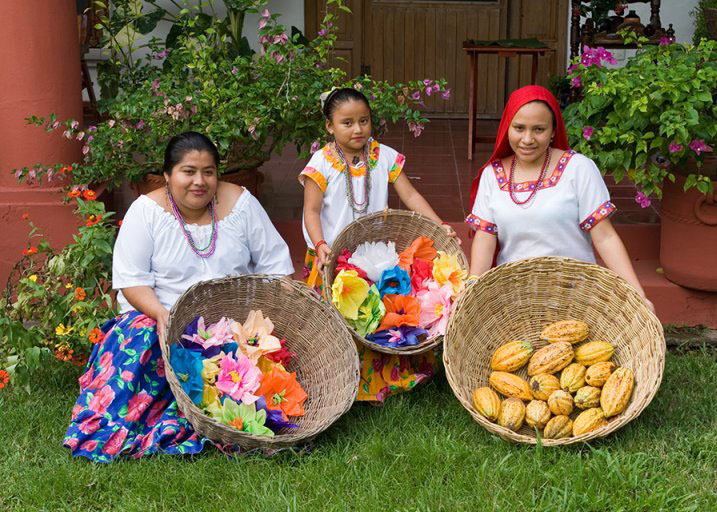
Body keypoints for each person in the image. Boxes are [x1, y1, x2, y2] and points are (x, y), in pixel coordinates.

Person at [64, 131, 294, 462]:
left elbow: (275, 266)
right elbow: (132, 281)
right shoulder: (146, 212)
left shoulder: (241, 204)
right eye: (188, 171)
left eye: (209, 172)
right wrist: (162, 316)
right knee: (143, 340)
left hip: (232, 324)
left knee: (263, 356)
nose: (199, 181)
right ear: (168, 175)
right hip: (161, 317)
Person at [299, 87, 453, 403]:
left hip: (373, 256)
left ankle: (380, 382)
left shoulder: (383, 156)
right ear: (329, 126)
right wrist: (321, 244)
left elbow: (410, 195)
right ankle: (338, 378)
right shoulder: (322, 163)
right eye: (347, 123)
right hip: (331, 255)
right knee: (338, 321)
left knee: (374, 316)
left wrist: (439, 225)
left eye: (364, 121)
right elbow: (311, 211)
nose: (358, 129)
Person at [466, 86, 654, 312]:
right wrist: (473, 285)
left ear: (553, 131)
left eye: (539, 129)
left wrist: (637, 294)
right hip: (516, 297)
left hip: (575, 294)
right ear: (507, 127)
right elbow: (486, 237)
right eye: (519, 128)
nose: (527, 139)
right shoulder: (493, 175)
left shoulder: (578, 168)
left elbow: (604, 237)